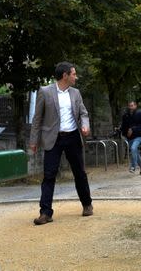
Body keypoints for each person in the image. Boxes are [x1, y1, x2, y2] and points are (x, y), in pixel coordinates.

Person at [29, 61, 93, 225]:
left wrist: (85, 126)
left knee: (79, 173)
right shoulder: (45, 92)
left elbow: (83, 113)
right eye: (73, 74)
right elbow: (37, 119)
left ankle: (87, 204)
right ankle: (45, 213)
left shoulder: (76, 93)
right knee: (49, 175)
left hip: (72, 137)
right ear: (65, 75)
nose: (75, 77)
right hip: (53, 139)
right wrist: (33, 141)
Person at [121, 101, 141, 175]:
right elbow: (124, 126)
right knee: (135, 152)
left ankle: (133, 166)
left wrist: (132, 129)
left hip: (138, 136)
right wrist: (122, 131)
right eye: (129, 106)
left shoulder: (139, 114)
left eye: (132, 106)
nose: (130, 107)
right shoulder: (126, 116)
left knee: (133, 148)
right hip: (129, 138)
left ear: (135, 106)